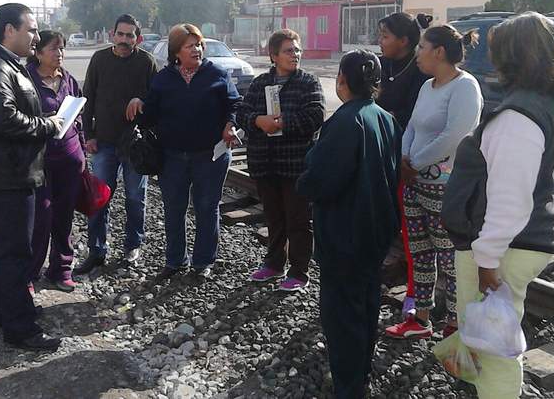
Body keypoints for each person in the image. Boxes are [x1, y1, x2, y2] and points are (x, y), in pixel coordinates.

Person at [441, 12, 554, 399]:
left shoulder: (519, 116)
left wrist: (486, 261)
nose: (492, 57)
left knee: (493, 352)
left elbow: (509, 200)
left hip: (501, 249)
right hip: (519, 241)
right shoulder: (547, 103)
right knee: (489, 341)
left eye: (497, 50)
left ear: (515, 55)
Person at [297, 50, 402, 399]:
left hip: (345, 233)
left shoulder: (344, 122)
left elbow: (321, 181)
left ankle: (348, 386)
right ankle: (361, 374)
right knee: (366, 305)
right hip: (376, 230)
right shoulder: (385, 118)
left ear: (342, 80)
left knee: (341, 315)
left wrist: (304, 181)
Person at [0, 3, 64, 351]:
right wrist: (48, 125)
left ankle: (2, 312)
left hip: (6, 174)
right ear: (9, 30)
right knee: (16, 252)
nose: (36, 36)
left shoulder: (4, 65)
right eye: (31, 29)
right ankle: (21, 328)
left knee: (1, 247)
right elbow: (3, 120)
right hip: (6, 178)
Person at [385, 24, 483, 340]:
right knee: (421, 254)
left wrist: (413, 163)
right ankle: (421, 318)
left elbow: (454, 135)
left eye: (422, 47)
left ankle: (455, 323)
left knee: (450, 258)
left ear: (439, 52)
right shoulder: (428, 86)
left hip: (445, 189)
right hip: (414, 184)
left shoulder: (465, 87)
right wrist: (404, 158)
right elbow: (412, 126)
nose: (417, 53)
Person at [127, 23, 241, 280]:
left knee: (207, 207)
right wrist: (139, 103)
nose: (197, 49)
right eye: (190, 46)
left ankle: (203, 262)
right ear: (176, 51)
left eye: (199, 45)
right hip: (172, 157)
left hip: (210, 156)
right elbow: (150, 115)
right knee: (174, 209)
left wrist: (231, 123)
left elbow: (235, 104)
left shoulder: (217, 74)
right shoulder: (164, 79)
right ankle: (175, 260)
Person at [237, 29, 325, 292]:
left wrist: (282, 122)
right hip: (265, 164)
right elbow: (242, 113)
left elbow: (315, 116)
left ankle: (299, 272)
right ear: (274, 55)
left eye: (297, 49)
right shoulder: (260, 83)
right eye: (288, 50)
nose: (295, 54)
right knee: (274, 218)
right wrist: (258, 121)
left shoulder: (308, 82)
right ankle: (274, 263)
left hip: (295, 165)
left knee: (298, 221)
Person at [75, 14, 158, 274]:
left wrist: (143, 101)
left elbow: (158, 99)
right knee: (99, 198)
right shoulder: (99, 59)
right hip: (104, 143)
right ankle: (97, 250)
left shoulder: (147, 62)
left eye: (129, 35)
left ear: (137, 38)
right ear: (112, 35)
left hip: (136, 145)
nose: (124, 40)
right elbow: (87, 98)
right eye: (120, 34)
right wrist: (89, 135)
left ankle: (133, 246)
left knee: (135, 197)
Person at [376, 11, 433, 317]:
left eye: (385, 36)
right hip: (377, 154)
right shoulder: (379, 65)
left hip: (407, 159)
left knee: (413, 233)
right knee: (379, 223)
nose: (380, 41)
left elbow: (413, 118)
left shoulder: (420, 72)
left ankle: (415, 293)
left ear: (404, 41)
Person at [26, 30, 85, 292]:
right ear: (38, 53)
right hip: (39, 161)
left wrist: (81, 147)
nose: (60, 53)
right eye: (53, 48)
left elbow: (79, 114)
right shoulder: (26, 79)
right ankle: (29, 273)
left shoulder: (68, 79)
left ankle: (61, 269)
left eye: (62, 48)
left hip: (69, 159)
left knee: (64, 217)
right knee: (40, 217)